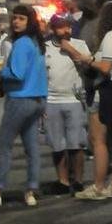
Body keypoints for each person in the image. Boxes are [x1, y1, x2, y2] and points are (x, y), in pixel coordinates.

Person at [0, 6, 48, 207]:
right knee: (32, 147)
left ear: (29, 21)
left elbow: (17, 74)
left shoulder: (22, 43)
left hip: (20, 99)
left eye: (21, 18)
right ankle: (31, 190)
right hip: (38, 99)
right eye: (15, 18)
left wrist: (0, 70)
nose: (16, 21)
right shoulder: (37, 42)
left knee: (3, 145)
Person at [74, 1, 112, 200]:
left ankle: (98, 186)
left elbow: (106, 68)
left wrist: (88, 60)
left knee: (98, 140)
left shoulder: (111, 36)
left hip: (107, 91)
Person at [43, 15, 90, 195]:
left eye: (69, 27)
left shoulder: (80, 45)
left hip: (75, 100)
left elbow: (88, 67)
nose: (66, 31)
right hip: (51, 101)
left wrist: (70, 49)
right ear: (52, 29)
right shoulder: (44, 47)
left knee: (77, 144)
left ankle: (78, 181)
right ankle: (62, 181)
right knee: (57, 145)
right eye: (61, 27)